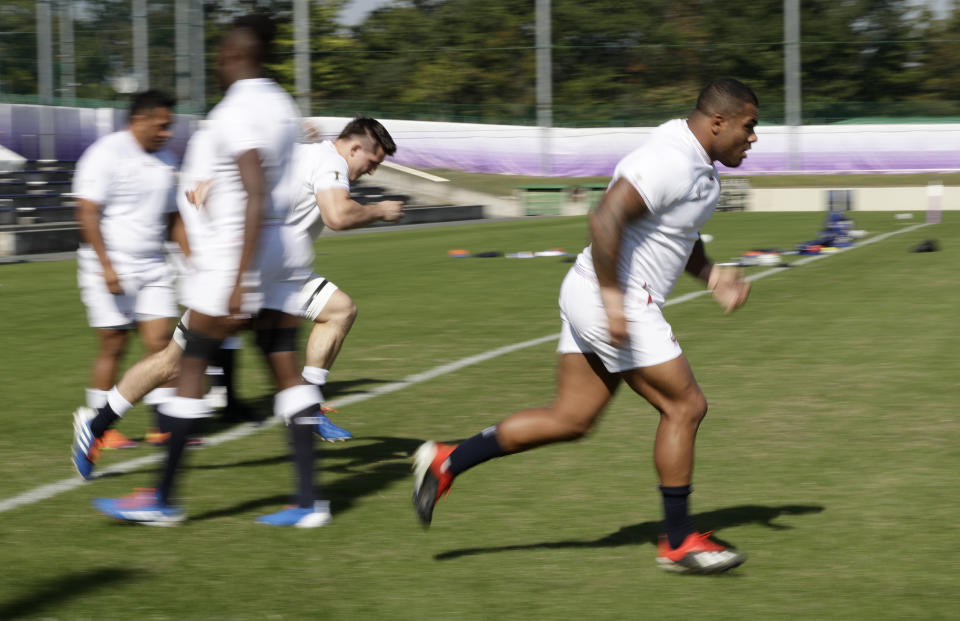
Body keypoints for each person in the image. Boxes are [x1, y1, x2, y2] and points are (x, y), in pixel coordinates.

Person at [412, 78, 758, 574]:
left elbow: (677, 231)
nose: (753, 138)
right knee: (686, 405)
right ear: (718, 122)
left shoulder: (695, 161)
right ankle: (679, 541)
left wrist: (710, 274)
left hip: (592, 292)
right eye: (749, 127)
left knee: (572, 419)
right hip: (612, 296)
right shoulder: (672, 159)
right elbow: (605, 218)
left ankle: (448, 460)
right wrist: (614, 301)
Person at [83, 14, 326, 527]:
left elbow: (253, 188)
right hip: (286, 246)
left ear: (237, 54)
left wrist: (239, 277)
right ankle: (310, 503)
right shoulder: (283, 105)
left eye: (220, 55)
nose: (216, 64)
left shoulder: (237, 109)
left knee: (191, 360)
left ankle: (161, 498)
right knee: (283, 359)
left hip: (244, 247)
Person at [69, 116, 405, 480]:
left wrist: (208, 185)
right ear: (354, 147)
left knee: (340, 309)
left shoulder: (296, 153)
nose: (370, 172)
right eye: (371, 163)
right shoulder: (332, 162)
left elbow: (249, 171)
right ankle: (99, 428)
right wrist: (381, 211)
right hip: (241, 277)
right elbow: (337, 215)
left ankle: (308, 405)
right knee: (173, 363)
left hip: (278, 276)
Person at [72, 89, 185, 451]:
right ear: (139, 120)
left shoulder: (166, 159)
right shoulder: (105, 154)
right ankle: (98, 425)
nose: (167, 133)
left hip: (153, 265)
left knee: (161, 345)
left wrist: (193, 257)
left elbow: (173, 217)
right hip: (109, 264)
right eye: (162, 125)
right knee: (114, 343)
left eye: (170, 126)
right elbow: (87, 211)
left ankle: (162, 425)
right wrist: (106, 266)